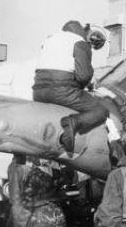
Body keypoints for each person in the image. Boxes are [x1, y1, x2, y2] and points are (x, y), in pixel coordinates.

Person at [32, 20, 109, 152]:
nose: (91, 46)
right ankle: (72, 122)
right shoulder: (79, 42)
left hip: (38, 92)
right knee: (100, 111)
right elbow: (83, 76)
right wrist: (86, 85)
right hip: (61, 91)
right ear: (86, 32)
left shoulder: (50, 39)